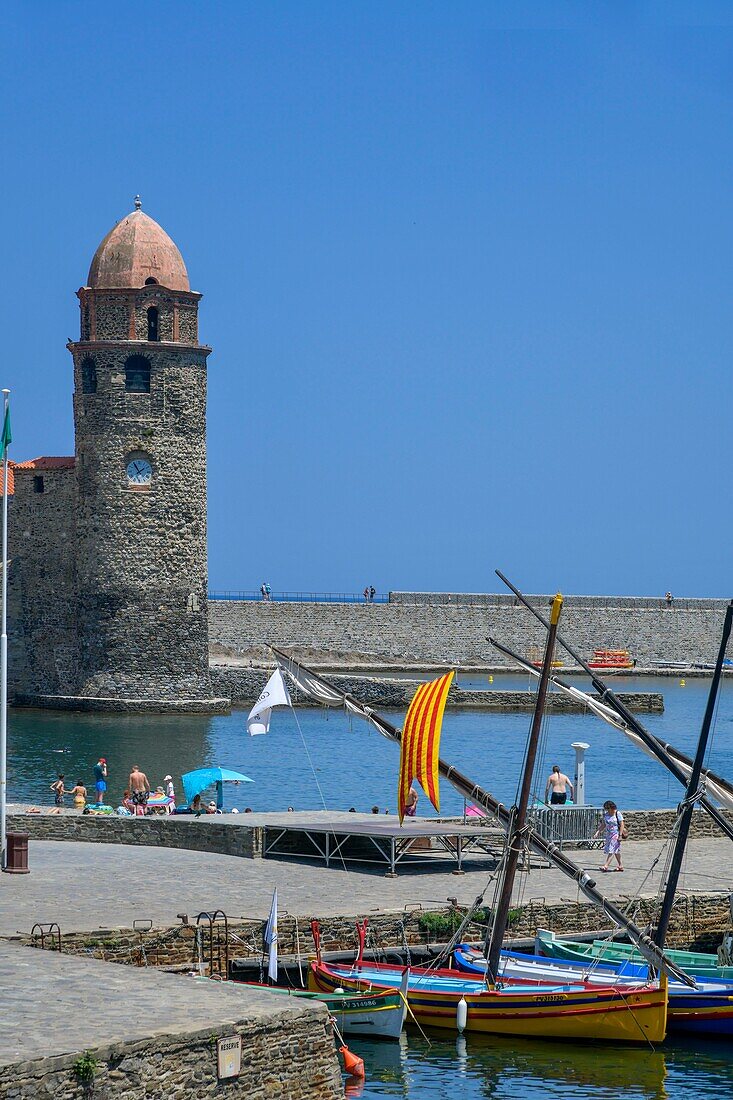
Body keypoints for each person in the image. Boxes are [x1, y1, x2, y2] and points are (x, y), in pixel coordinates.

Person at [594, 800, 626, 872]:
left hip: (616, 834)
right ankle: (620, 865)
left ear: (612, 807)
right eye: (606, 809)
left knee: (611, 850)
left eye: (608, 808)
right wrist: (597, 832)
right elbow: (603, 825)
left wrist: (620, 835)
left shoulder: (617, 813)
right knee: (616, 851)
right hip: (608, 835)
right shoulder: (606, 815)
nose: (607, 810)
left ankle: (606, 866)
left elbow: (622, 825)